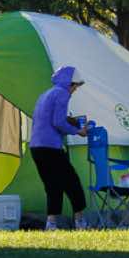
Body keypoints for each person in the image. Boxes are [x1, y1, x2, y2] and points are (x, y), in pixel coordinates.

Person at [30, 65, 90, 230]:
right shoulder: (62, 93)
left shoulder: (46, 94)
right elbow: (58, 122)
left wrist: (68, 121)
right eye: (75, 86)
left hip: (36, 147)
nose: (75, 90)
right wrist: (78, 131)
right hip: (51, 147)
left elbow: (46, 120)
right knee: (72, 182)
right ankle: (80, 222)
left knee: (52, 185)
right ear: (70, 83)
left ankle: (51, 224)